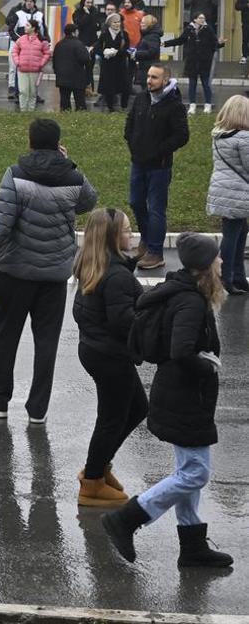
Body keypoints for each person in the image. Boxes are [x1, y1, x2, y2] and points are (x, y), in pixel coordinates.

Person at [102, 232, 232, 570]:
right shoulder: (190, 301)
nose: (222, 261)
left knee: (187, 469)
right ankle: (128, 518)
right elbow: (181, 351)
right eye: (217, 257)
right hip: (185, 397)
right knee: (196, 473)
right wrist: (209, 364)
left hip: (178, 395)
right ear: (206, 266)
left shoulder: (186, 292)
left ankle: (192, 546)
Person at [0, 117, 98, 422]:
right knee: (46, 342)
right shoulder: (72, 176)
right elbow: (88, 202)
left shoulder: (16, 175)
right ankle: (38, 410)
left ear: (29, 142)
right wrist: (69, 163)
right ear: (58, 144)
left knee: (5, 336)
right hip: (54, 275)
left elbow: (0, 224)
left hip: (16, 272)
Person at [71, 207, 146, 508]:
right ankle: (91, 482)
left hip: (97, 351)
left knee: (138, 408)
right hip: (110, 356)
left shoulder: (95, 264)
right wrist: (153, 316)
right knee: (112, 418)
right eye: (127, 229)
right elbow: (122, 320)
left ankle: (98, 467)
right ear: (113, 236)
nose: (132, 234)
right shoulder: (115, 274)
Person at [127, 64, 189, 271]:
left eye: (154, 77)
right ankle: (146, 239)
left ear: (165, 80)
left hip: (159, 167)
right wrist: (133, 144)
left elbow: (182, 136)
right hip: (138, 162)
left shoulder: (174, 105)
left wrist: (159, 150)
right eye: (148, 76)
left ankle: (155, 252)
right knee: (135, 202)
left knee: (156, 209)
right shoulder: (142, 98)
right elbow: (130, 124)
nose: (149, 80)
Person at [205, 95, 249, 295]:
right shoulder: (244, 138)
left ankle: (237, 277)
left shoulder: (219, 135)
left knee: (238, 232)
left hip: (223, 190)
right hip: (237, 192)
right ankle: (226, 278)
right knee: (233, 236)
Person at [165, 12, 223, 115]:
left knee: (206, 84)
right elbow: (180, 40)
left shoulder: (208, 29)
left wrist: (221, 43)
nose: (202, 20)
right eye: (200, 18)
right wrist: (166, 43)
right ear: (195, 19)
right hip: (192, 61)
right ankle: (192, 105)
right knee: (192, 84)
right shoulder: (189, 29)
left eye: (204, 18)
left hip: (205, 61)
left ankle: (208, 105)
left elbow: (215, 43)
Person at [10, 19, 51, 112]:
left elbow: (47, 53)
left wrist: (41, 63)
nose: (25, 27)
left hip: (35, 70)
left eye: (28, 25)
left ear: (33, 28)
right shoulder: (21, 39)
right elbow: (14, 51)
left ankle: (31, 111)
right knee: (23, 91)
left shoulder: (42, 40)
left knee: (32, 92)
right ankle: (23, 110)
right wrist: (17, 62)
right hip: (22, 69)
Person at [52, 25, 92, 112]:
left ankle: (66, 119)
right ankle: (79, 121)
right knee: (80, 103)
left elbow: (54, 61)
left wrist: (57, 72)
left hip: (62, 78)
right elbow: (85, 59)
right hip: (77, 78)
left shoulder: (58, 44)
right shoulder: (79, 44)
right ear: (74, 32)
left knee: (64, 102)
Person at [98, 13, 133, 113]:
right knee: (109, 87)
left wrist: (117, 52)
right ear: (109, 23)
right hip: (107, 64)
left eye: (118, 22)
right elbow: (98, 47)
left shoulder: (124, 34)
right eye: (114, 22)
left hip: (120, 64)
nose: (117, 24)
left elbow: (127, 49)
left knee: (125, 86)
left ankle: (124, 106)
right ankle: (111, 108)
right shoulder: (104, 34)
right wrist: (104, 52)